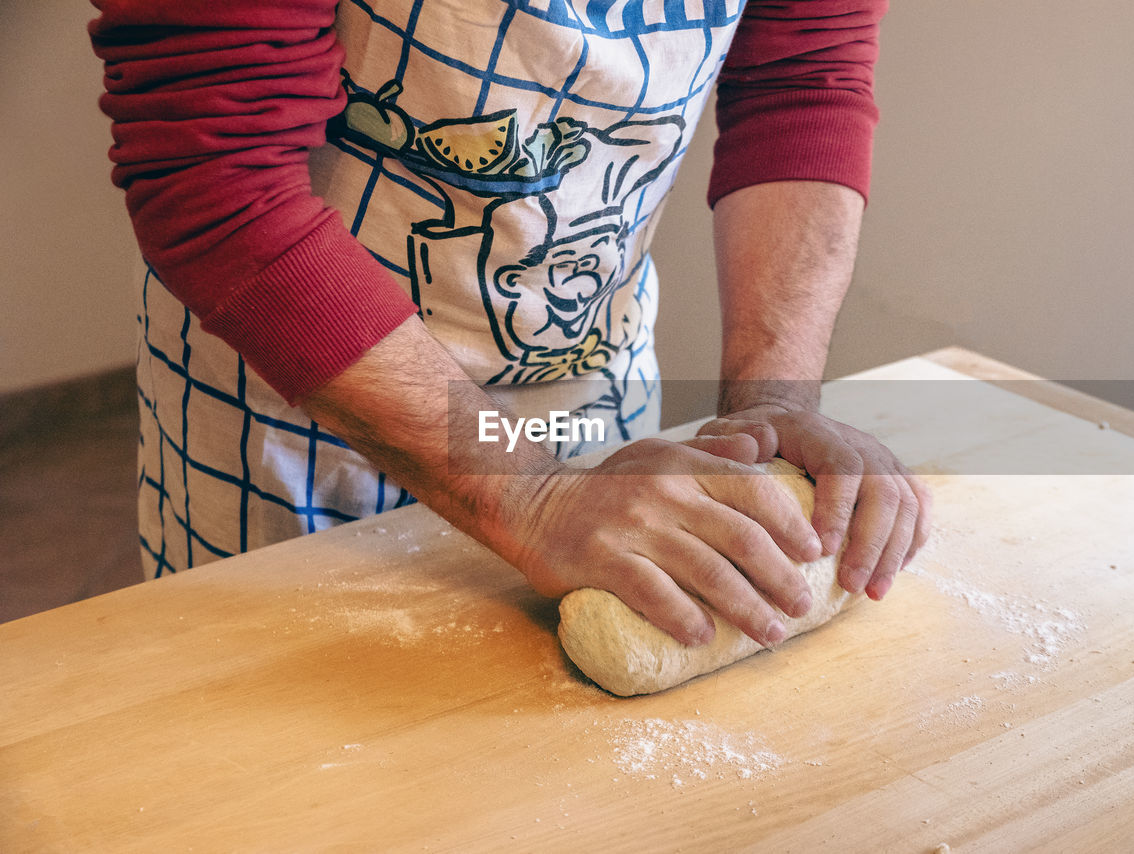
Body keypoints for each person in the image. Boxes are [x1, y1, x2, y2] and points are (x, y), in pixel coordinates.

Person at [89, 0, 930, 650]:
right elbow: (219, 177)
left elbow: (802, 81)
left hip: (592, 382)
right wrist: (529, 497)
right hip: (301, 409)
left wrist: (777, 406)